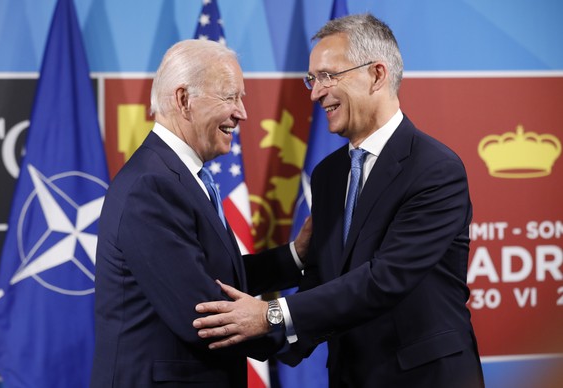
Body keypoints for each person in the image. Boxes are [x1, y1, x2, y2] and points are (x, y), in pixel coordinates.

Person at [192, 13, 485, 388]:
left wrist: (271, 315)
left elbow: (384, 279)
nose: (315, 92)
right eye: (312, 79)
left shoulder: (434, 169)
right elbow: (322, 281)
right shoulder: (330, 174)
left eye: (329, 76)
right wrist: (234, 333)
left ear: (377, 74)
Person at [90, 39, 311, 388]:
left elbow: (215, 277)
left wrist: (295, 256)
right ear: (183, 100)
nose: (242, 113)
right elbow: (204, 314)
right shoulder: (152, 186)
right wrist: (302, 324)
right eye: (230, 97)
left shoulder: (176, 176)